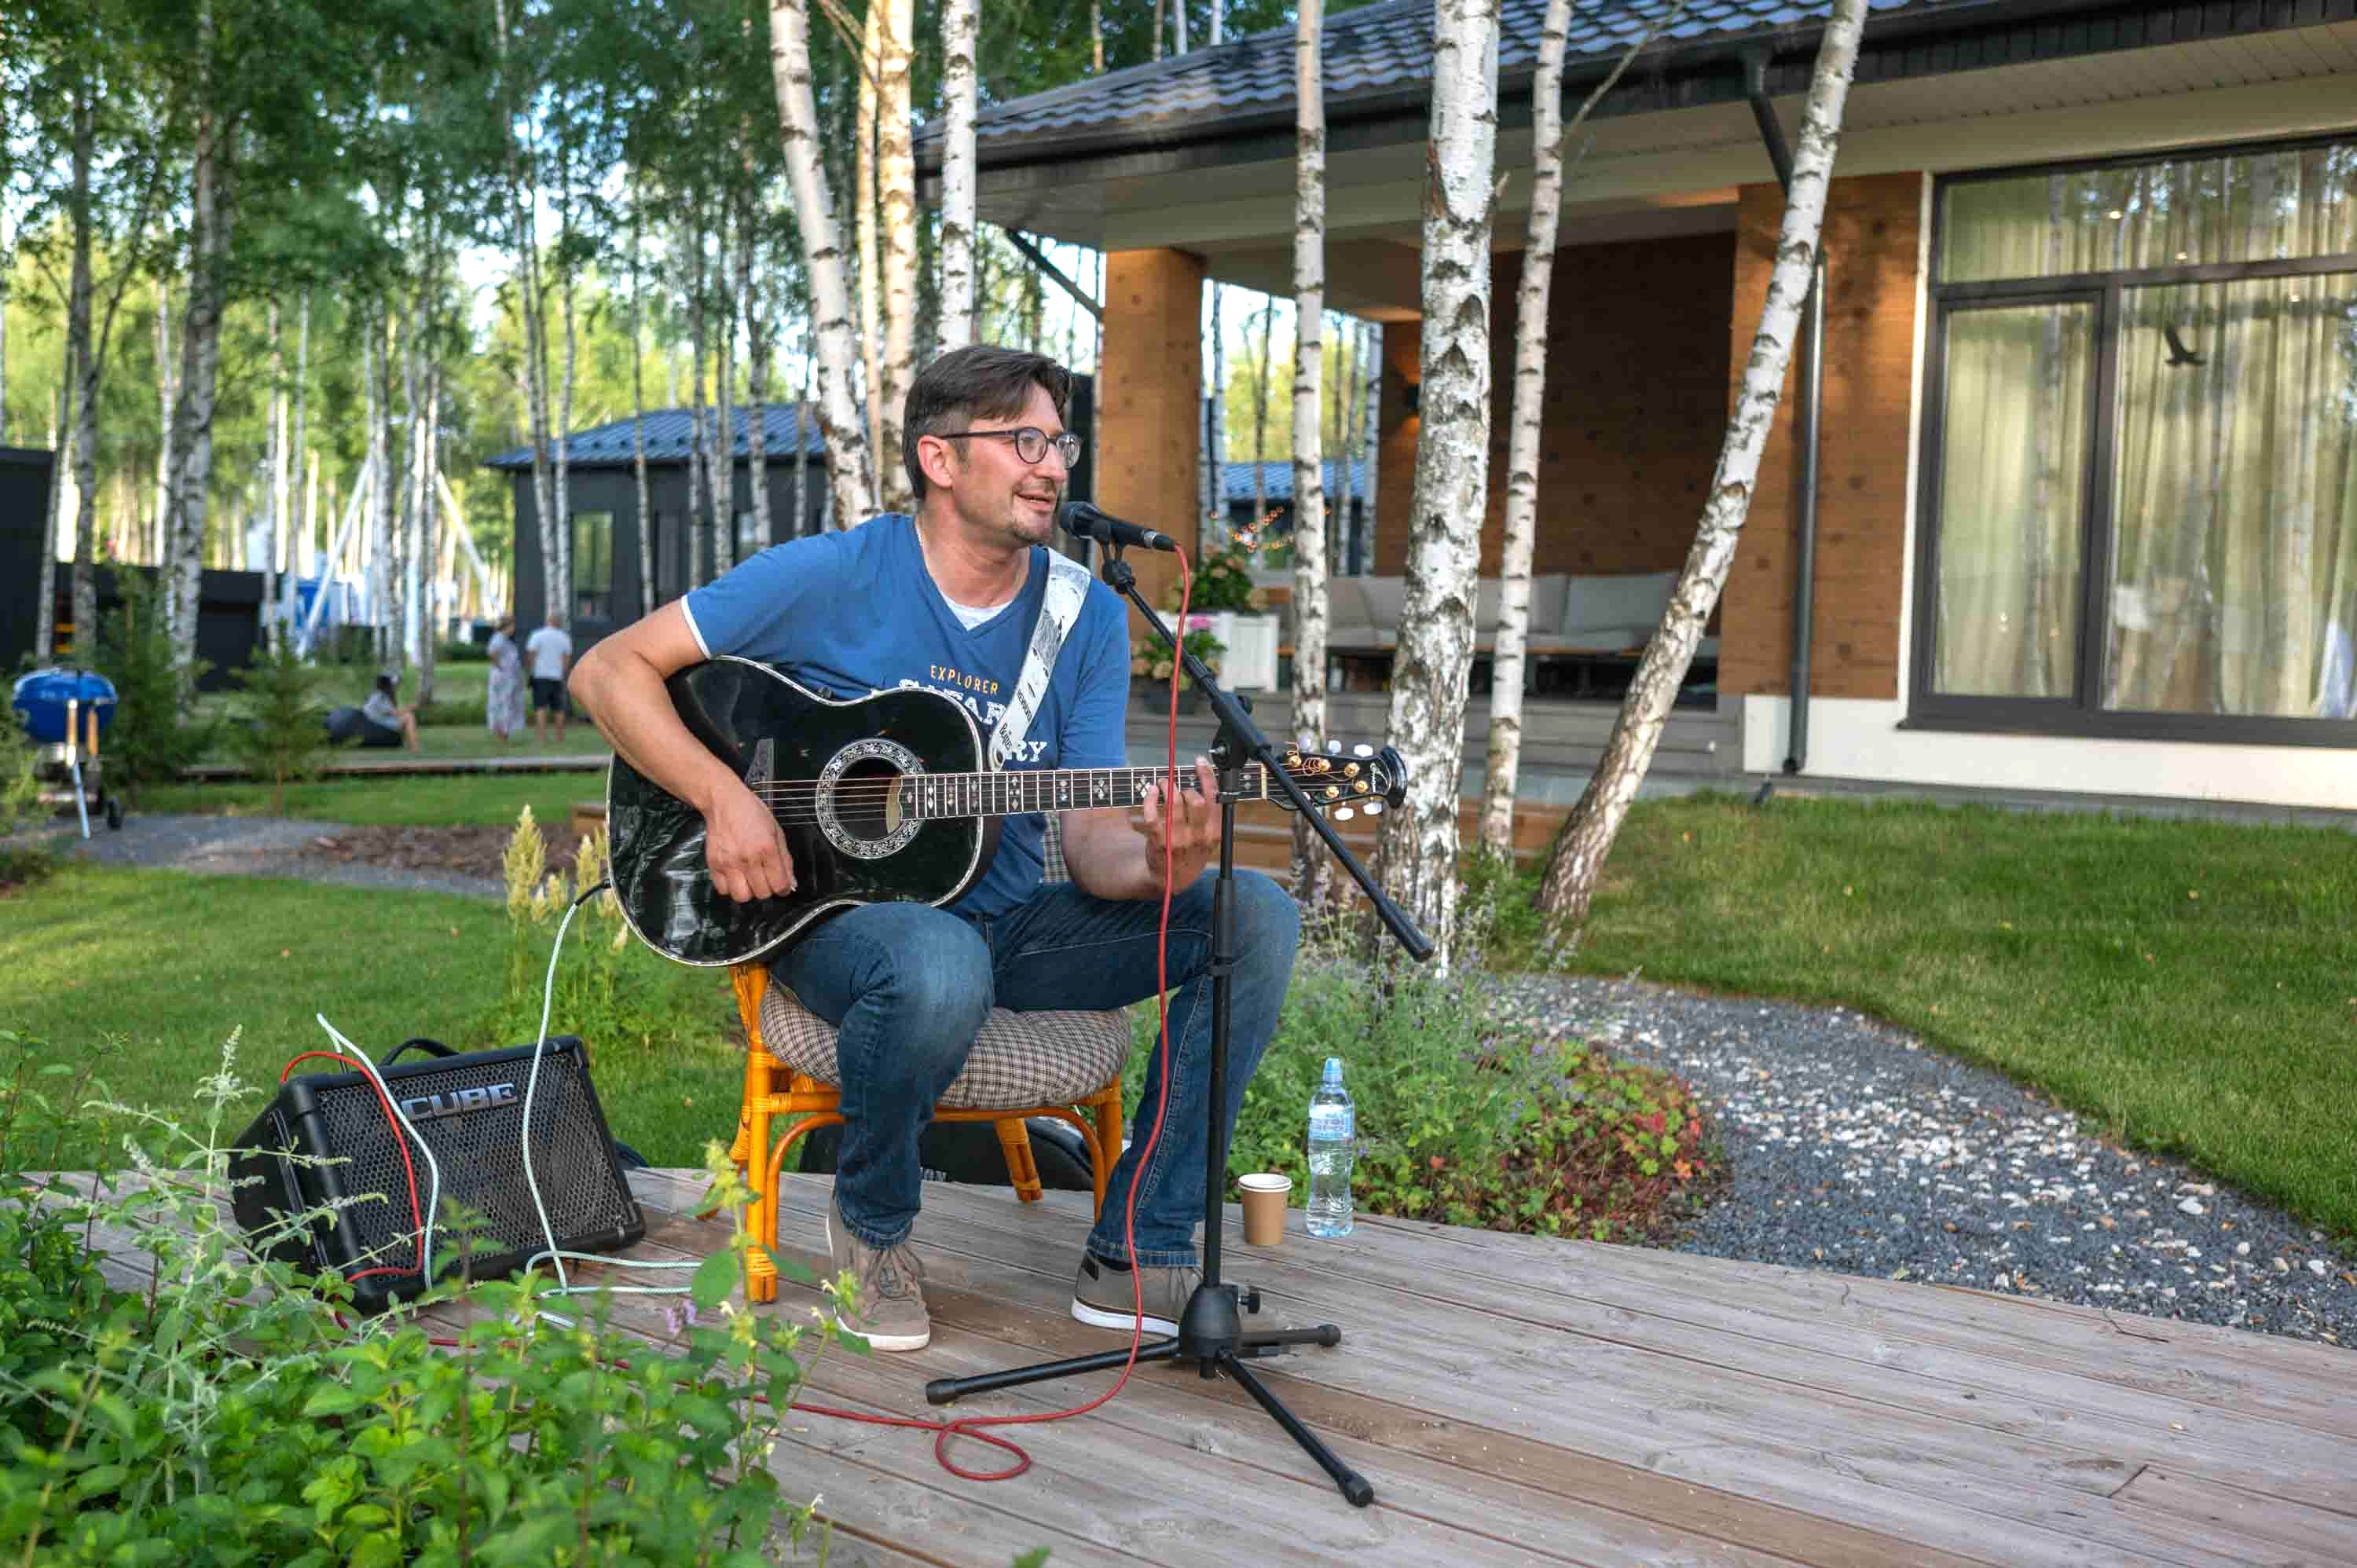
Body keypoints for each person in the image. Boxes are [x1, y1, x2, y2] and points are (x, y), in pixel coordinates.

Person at [571, 345, 1300, 1353]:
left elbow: (1093, 844)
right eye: (1025, 442)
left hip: (1014, 926)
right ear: (940, 458)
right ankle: (872, 1233)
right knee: (938, 960)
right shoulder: (835, 575)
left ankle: (1139, 1246)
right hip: (839, 922)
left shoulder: (1083, 614)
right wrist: (724, 797)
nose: (1053, 467)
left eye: (1060, 444)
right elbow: (609, 671)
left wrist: (1167, 863)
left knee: (1252, 913)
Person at [523, 612, 574, 746]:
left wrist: (530, 671)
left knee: (540, 707)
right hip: (557, 677)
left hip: (540, 676)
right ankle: (559, 737)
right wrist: (563, 673)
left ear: (548, 620)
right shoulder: (564, 637)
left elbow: (531, 654)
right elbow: (567, 658)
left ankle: (542, 737)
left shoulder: (537, 635)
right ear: (559, 622)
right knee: (559, 708)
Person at [485, 615, 527, 743]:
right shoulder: (498, 638)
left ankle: (505, 733)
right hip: (503, 677)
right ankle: (502, 734)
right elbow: (492, 653)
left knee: (508, 704)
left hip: (509, 677)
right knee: (502, 704)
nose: (513, 629)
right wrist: (501, 667)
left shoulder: (506, 640)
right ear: (507, 626)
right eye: (512, 626)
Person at [359, 673, 419, 751]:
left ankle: (405, 744)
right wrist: (411, 707)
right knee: (409, 717)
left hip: (375, 722)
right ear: (387, 686)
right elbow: (395, 713)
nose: (394, 687)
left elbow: (391, 712)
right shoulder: (381, 697)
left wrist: (406, 708)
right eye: (392, 685)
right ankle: (414, 747)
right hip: (376, 724)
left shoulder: (377, 695)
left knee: (405, 716)